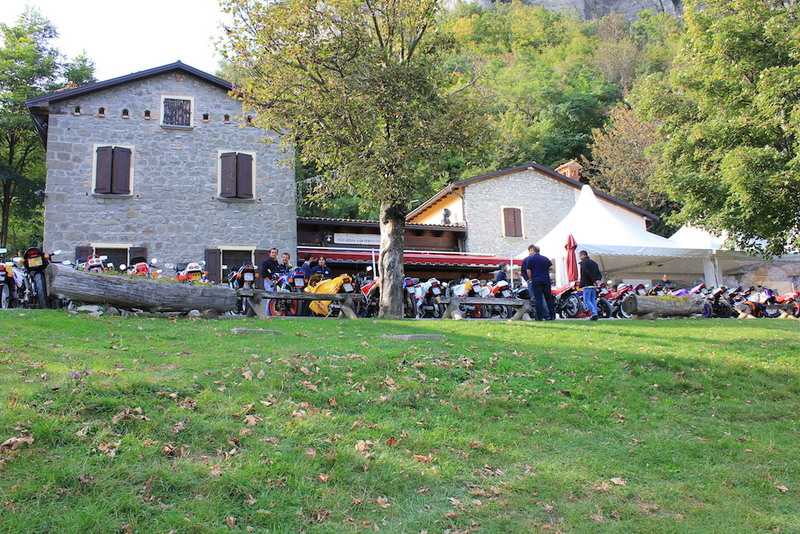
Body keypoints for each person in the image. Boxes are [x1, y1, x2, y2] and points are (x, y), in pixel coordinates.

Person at [521, 245, 553, 320]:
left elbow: (527, 271)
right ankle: (550, 315)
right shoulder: (545, 258)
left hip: (535, 280)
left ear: (532, 250)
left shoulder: (529, 259)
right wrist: (544, 270)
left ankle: (539, 316)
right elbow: (551, 267)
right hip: (545, 279)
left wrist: (529, 279)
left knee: (537, 299)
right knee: (547, 298)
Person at [579, 250, 602, 320]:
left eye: (580, 256)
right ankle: (595, 313)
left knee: (587, 300)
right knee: (592, 300)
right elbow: (599, 273)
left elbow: (585, 272)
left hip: (587, 284)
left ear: (583, 255)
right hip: (594, 285)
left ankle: (594, 313)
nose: (579, 257)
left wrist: (592, 281)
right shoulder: (594, 263)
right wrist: (597, 280)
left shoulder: (584, 262)